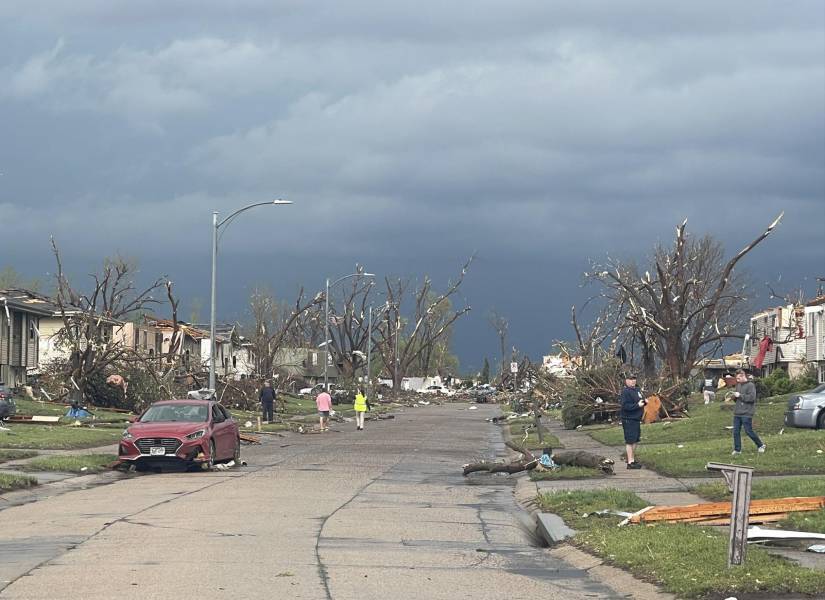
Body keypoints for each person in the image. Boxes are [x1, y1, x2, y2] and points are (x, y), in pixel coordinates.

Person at [731, 369, 766, 456]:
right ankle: (737, 450)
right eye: (736, 378)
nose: (737, 380)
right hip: (737, 412)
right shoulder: (738, 385)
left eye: (738, 378)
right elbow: (738, 399)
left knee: (748, 431)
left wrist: (740, 396)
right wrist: (734, 397)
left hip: (747, 412)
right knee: (735, 432)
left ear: (743, 376)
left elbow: (751, 398)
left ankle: (761, 445)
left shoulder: (750, 385)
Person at [619, 373, 646, 469]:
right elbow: (625, 406)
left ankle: (632, 460)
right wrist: (637, 406)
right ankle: (630, 462)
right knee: (630, 441)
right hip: (628, 419)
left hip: (636, 418)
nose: (633, 380)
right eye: (630, 379)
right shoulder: (626, 392)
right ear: (626, 381)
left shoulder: (637, 390)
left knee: (635, 440)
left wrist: (644, 402)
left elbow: (640, 400)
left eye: (634, 378)